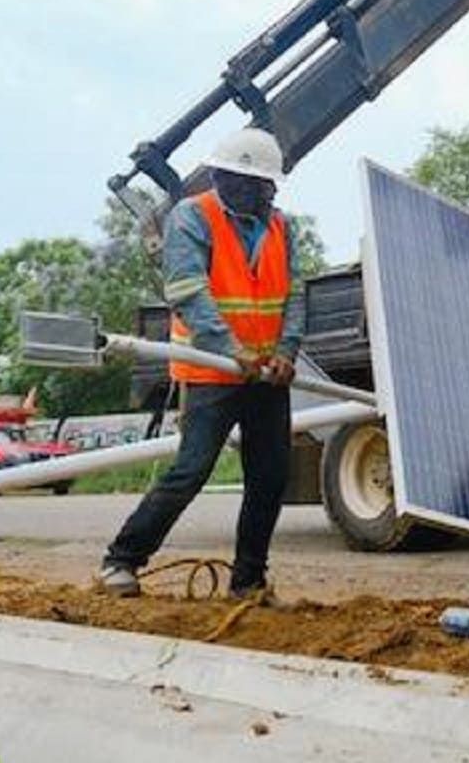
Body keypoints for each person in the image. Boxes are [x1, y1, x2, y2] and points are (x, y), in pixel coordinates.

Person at [97, 128, 307, 602]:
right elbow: (189, 293)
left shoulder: (280, 227)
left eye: (266, 184)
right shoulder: (193, 217)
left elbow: (293, 295)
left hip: (266, 374)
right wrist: (232, 351)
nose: (262, 192)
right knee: (191, 470)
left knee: (270, 477)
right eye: (252, 183)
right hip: (212, 372)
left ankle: (249, 580)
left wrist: (287, 352)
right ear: (223, 177)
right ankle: (122, 560)